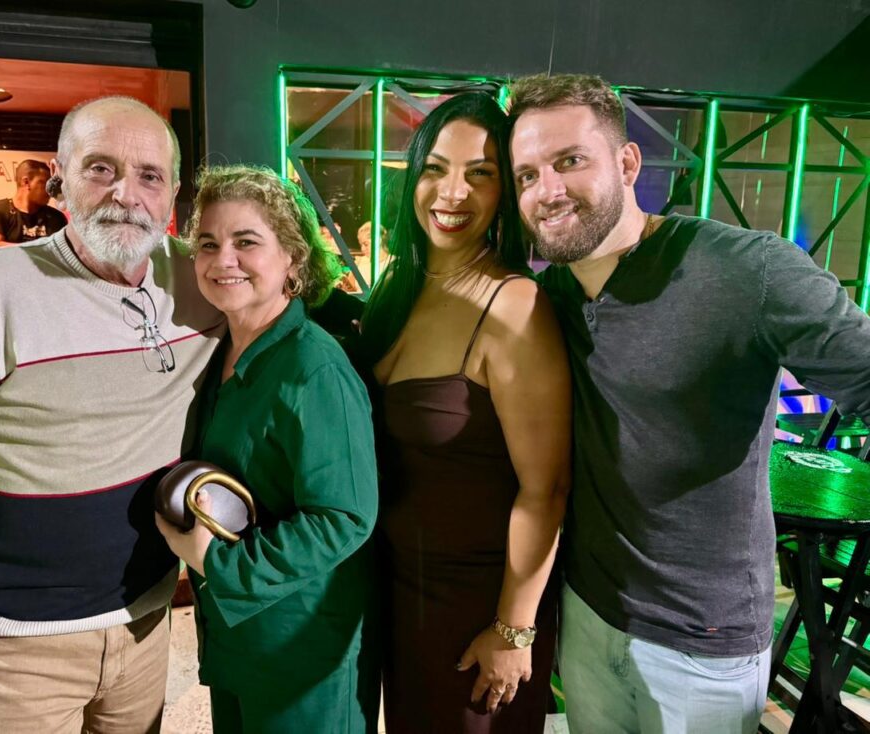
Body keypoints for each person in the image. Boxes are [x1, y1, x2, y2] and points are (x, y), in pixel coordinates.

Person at [507, 73, 870, 734]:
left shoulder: (748, 270)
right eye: (527, 175)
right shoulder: (549, 297)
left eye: (570, 161)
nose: (547, 189)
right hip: (588, 614)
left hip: (705, 644)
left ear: (627, 163)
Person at [0, 96, 222, 734]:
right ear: (61, 177)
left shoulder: (202, 281)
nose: (126, 194)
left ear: (172, 192)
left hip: (146, 621)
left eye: (149, 175)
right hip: (18, 641)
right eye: (101, 168)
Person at [359, 92, 571, 733]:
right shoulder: (399, 286)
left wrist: (514, 628)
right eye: (436, 169)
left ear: (505, 191)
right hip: (398, 590)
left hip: (478, 605)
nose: (452, 193)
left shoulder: (515, 304)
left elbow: (547, 487)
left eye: (480, 174)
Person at [156, 164, 379, 733]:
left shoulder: (315, 367)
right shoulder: (218, 353)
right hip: (238, 636)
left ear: (294, 260)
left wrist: (216, 562)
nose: (223, 259)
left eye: (246, 242)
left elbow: (345, 517)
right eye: (209, 244)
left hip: (299, 648)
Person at [0, 158, 67, 247]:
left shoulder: (56, 217)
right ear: (26, 182)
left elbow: (63, 249)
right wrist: (40, 250)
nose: (50, 191)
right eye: (45, 184)